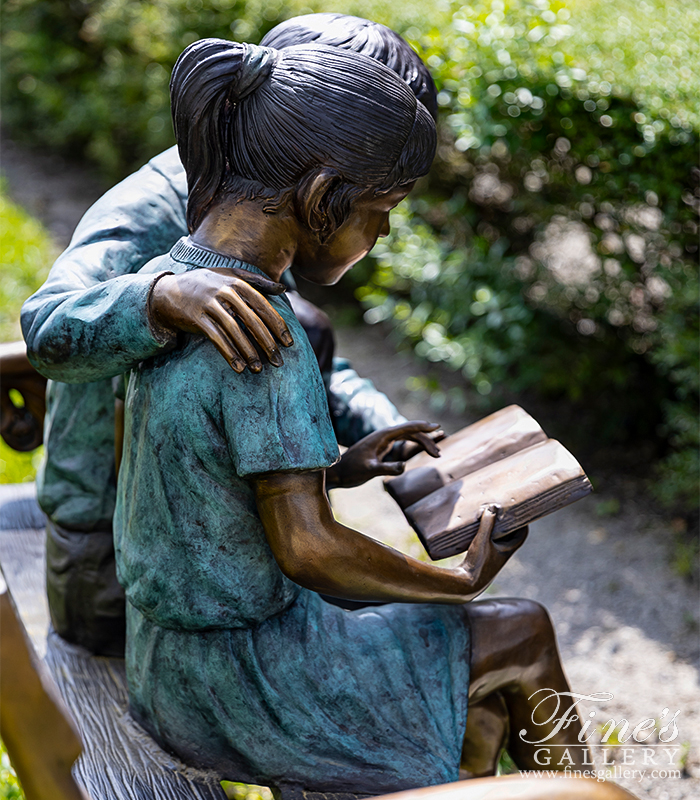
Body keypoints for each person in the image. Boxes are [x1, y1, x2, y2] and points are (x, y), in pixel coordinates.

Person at [114, 38, 589, 793]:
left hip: (164, 660)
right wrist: (458, 580)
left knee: (476, 687)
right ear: (320, 194)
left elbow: (199, 474)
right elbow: (308, 550)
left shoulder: (169, 286)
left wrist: (343, 461)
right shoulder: (267, 337)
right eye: (381, 211)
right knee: (519, 628)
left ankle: (462, 776)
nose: (385, 235)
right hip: (246, 689)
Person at [18, 14, 439, 657]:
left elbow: (304, 353)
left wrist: (399, 433)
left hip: (224, 548)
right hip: (119, 567)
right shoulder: (161, 211)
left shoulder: (267, 209)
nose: (378, 230)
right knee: (436, 640)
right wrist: (159, 296)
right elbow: (47, 327)